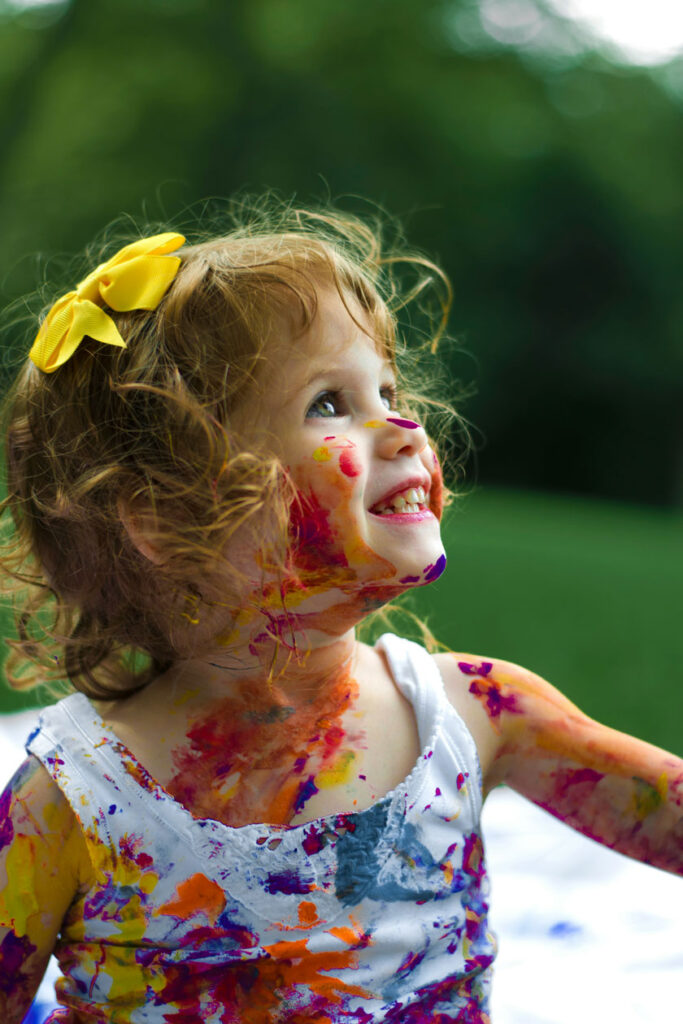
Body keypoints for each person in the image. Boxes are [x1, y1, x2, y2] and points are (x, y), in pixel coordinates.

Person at [0, 198, 680, 1024]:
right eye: (329, 402)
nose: (400, 426)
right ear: (165, 518)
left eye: (387, 389)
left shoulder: (474, 713)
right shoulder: (79, 796)